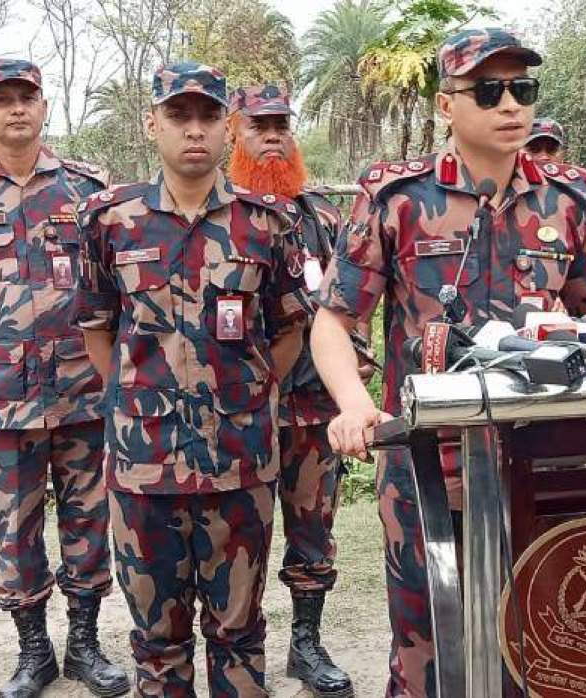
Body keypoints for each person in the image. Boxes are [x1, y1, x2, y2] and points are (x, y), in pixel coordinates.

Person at [310, 28, 586, 697]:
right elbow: (334, 319)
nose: (510, 104)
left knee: (538, 642)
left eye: (522, 89)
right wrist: (355, 403)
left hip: (541, 464)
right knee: (428, 652)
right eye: (488, 90)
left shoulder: (568, 204)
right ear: (446, 105)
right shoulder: (398, 199)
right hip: (427, 466)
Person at [73, 62, 308, 697]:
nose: (195, 130)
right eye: (180, 116)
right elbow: (98, 327)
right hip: (144, 468)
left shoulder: (266, 224)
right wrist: (138, 399)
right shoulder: (108, 221)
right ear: (152, 123)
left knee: (239, 632)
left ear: (227, 127)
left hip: (241, 464)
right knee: (157, 639)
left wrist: (248, 396)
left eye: (209, 116)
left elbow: (289, 329)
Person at [0, 58, 128, 698]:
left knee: (90, 523)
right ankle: (33, 651)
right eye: (1, 99)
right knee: (15, 528)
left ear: (43, 106)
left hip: (83, 394)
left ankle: (85, 646)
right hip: (2, 399)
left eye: (26, 97)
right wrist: (1, 332)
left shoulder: (87, 191)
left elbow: (112, 285)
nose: (16, 109)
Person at [225, 82, 357, 697]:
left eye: (281, 124)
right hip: (240, 411)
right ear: (236, 134)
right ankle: (239, 649)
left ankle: (306, 643)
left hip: (310, 410)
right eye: (259, 126)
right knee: (238, 538)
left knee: (312, 531)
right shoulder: (219, 216)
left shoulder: (323, 219)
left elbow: (348, 308)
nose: (273, 135)